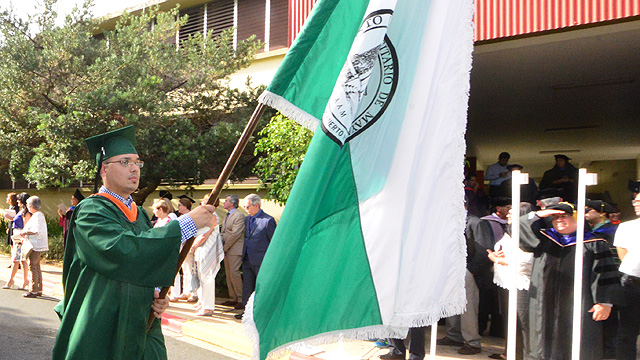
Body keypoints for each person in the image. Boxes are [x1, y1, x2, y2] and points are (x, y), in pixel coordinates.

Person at [52, 125, 216, 360]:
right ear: (104, 169)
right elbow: (122, 251)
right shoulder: (90, 211)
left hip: (140, 323)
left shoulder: (138, 214)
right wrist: (184, 225)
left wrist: (156, 293)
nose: (134, 169)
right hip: (103, 323)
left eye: (137, 163)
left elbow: (145, 261)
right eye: (124, 161)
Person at [519, 202, 622, 360]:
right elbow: (517, 229)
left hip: (580, 302)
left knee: (578, 343)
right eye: (555, 217)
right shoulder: (544, 239)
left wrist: (604, 302)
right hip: (544, 302)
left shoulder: (594, 243)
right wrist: (540, 214)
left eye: (564, 216)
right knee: (541, 343)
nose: (559, 219)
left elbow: (604, 274)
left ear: (577, 218)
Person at [437, 196, 490, 355]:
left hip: (468, 272)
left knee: (468, 309)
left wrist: (471, 271)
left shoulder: (475, 222)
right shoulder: (450, 223)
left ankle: (472, 341)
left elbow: (484, 250)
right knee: (451, 304)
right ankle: (454, 335)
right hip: (451, 270)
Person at [487, 203, 534, 360]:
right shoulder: (509, 231)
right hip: (506, 281)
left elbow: (525, 261)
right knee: (510, 320)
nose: (507, 215)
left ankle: (523, 355)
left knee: (521, 323)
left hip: (520, 284)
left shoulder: (527, 234)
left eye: (512, 213)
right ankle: (509, 352)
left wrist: (497, 259)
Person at [235, 194, 277, 320]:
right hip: (247, 258)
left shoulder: (268, 220)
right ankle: (247, 311)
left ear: (256, 205)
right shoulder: (247, 219)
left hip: (261, 259)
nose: (246, 209)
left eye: (247, 207)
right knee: (247, 286)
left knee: (260, 287)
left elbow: (273, 242)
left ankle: (261, 313)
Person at [613, 191, 640, 360]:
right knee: (626, 332)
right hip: (631, 284)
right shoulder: (626, 227)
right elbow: (623, 255)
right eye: (635, 201)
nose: (636, 204)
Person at [191, 194, 224, 317]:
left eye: (205, 202)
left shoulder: (213, 217)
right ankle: (203, 303)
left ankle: (208, 307)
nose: (202, 204)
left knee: (207, 277)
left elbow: (205, 234)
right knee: (201, 276)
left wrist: (193, 246)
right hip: (202, 249)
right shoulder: (208, 216)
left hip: (207, 249)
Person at [18, 196, 49, 298]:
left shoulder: (37, 216)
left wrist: (25, 232)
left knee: (33, 267)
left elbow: (36, 230)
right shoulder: (38, 215)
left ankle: (33, 290)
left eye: (28, 205)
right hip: (36, 244)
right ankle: (39, 288)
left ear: (31, 206)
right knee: (37, 266)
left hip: (35, 245)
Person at [170, 196, 199, 303]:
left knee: (191, 270)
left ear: (185, 206)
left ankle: (193, 292)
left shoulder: (191, 216)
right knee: (185, 270)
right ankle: (186, 291)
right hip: (181, 246)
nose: (178, 207)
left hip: (189, 246)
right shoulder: (181, 216)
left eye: (179, 205)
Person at [220, 194, 245, 309]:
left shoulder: (239, 216)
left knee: (234, 273)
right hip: (226, 248)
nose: (224, 203)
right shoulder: (227, 215)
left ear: (232, 203)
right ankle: (232, 298)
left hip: (235, 249)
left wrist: (225, 247)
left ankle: (241, 298)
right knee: (229, 274)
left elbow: (235, 234)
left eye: (226, 201)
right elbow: (224, 232)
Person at [2, 193, 29, 290]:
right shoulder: (22, 211)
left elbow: (25, 224)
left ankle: (11, 280)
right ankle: (24, 280)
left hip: (20, 238)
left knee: (16, 260)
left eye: (19, 200)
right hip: (17, 237)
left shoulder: (25, 212)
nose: (17, 202)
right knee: (22, 260)